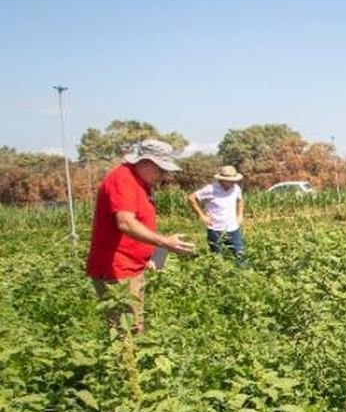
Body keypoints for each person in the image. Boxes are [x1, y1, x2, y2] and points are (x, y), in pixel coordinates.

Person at [85, 139, 196, 333]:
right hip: (118, 270)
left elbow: (139, 224)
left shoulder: (138, 182)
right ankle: (125, 364)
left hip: (131, 266)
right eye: (161, 170)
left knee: (132, 326)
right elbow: (125, 223)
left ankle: (128, 361)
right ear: (145, 162)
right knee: (126, 330)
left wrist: (156, 251)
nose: (165, 175)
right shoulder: (123, 180)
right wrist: (164, 242)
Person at [188, 165, 246, 264]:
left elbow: (240, 201)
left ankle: (244, 275)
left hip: (233, 229)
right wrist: (201, 215)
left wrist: (240, 215)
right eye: (229, 180)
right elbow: (191, 198)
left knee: (240, 256)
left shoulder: (236, 188)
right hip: (215, 229)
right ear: (222, 180)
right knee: (218, 259)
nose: (232, 182)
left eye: (234, 180)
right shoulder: (210, 189)